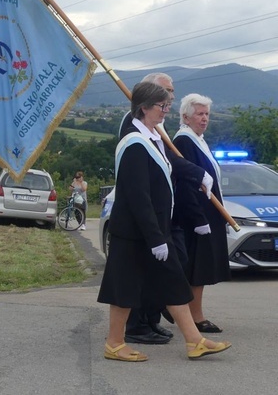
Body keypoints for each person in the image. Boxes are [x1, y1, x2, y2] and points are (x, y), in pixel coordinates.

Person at [97, 82, 231, 362]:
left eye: (167, 106)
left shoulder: (151, 138)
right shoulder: (134, 143)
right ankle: (114, 343)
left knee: (173, 283)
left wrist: (198, 175)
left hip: (156, 229)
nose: (165, 112)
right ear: (144, 108)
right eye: (161, 107)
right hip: (137, 232)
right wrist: (156, 238)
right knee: (124, 288)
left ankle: (194, 341)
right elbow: (137, 196)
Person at [118, 72, 210, 345]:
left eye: (171, 92)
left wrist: (197, 173)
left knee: (171, 269)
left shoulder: (155, 129)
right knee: (146, 276)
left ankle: (151, 320)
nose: (170, 99)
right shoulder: (134, 130)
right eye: (165, 94)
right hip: (147, 220)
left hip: (163, 215)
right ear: (147, 100)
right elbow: (139, 183)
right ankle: (138, 326)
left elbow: (168, 160)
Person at [172, 94, 231, 333]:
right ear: (185, 116)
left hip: (207, 213)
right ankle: (195, 317)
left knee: (202, 268)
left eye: (207, 114)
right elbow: (186, 183)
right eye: (199, 113)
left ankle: (189, 313)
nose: (204, 118)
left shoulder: (199, 140)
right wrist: (198, 219)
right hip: (196, 215)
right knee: (198, 268)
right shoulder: (184, 141)